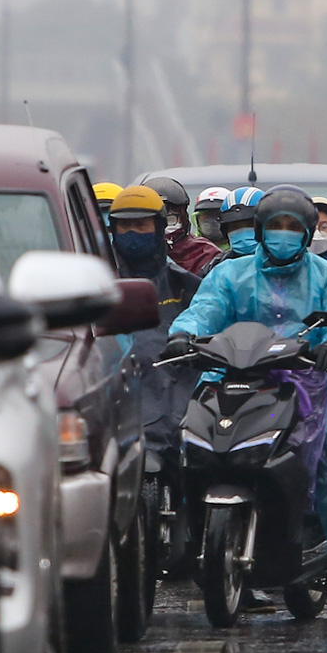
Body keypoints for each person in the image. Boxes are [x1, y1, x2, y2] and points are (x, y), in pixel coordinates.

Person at [166, 186, 327, 620]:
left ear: (306, 234)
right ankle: (189, 543)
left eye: (292, 227)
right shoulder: (230, 274)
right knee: (191, 447)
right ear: (260, 230)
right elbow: (205, 309)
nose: (283, 234)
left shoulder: (325, 276)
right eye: (275, 226)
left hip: (304, 387)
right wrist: (183, 331)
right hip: (234, 378)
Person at [107, 185, 201, 475]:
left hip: (175, 401)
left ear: (159, 228)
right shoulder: (98, 283)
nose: (133, 233)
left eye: (141, 225)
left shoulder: (184, 284)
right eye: (125, 226)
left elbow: (208, 323)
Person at [144, 176, 220, 276]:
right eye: (154, 222)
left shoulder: (205, 254)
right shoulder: (134, 252)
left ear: (183, 218)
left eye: (170, 219)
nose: (162, 227)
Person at [206, 185, 267, 272]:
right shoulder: (216, 268)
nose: (243, 232)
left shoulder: (284, 264)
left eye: (250, 224)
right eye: (235, 226)